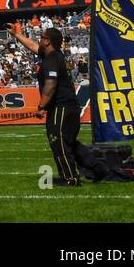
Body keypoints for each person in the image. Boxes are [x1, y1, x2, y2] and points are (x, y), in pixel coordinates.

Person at [9, 23, 82, 186]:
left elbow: (51, 84)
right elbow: (33, 46)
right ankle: (83, 172)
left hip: (62, 106)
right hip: (66, 107)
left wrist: (41, 106)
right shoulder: (53, 55)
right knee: (66, 143)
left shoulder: (51, 59)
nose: (39, 40)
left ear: (48, 41)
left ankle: (70, 178)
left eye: (42, 37)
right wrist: (17, 35)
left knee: (59, 142)